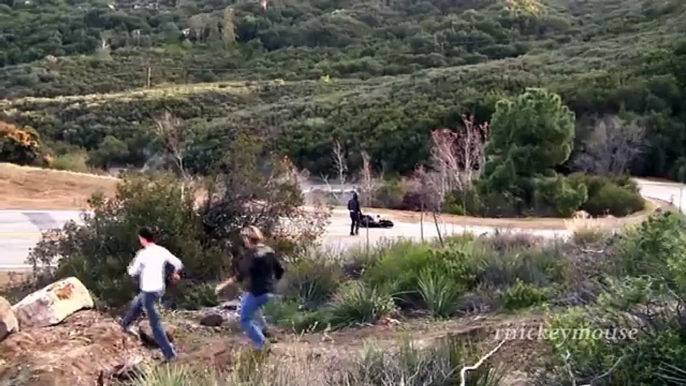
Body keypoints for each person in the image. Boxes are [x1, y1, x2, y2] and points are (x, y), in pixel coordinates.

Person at [215, 225, 284, 352]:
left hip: (257, 292)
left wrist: (222, 285)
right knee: (250, 305)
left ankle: (262, 345)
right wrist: (271, 283)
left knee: (245, 319)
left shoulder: (251, 254)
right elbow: (280, 271)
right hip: (269, 291)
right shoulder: (269, 251)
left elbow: (240, 275)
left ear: (247, 239)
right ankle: (265, 330)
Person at [121, 227, 183, 362]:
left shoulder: (142, 254)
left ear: (143, 239)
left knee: (155, 325)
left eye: (140, 239)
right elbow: (178, 263)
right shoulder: (162, 250)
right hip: (159, 289)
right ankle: (124, 326)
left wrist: (129, 268)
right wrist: (175, 273)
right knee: (137, 303)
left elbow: (132, 272)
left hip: (149, 291)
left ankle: (170, 354)